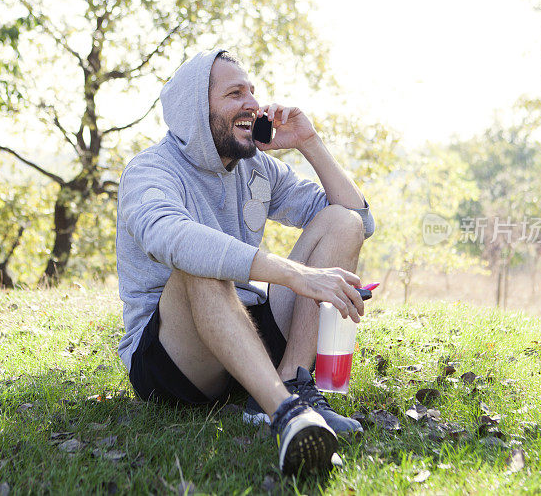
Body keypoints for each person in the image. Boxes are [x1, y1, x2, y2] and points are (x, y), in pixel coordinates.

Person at [116, 49, 375, 475]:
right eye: (234, 93)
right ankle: (287, 415)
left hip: (245, 329)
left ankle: (291, 382)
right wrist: (297, 275)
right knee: (201, 262)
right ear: (197, 110)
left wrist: (310, 143)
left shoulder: (257, 167)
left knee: (340, 221)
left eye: (252, 92)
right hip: (173, 355)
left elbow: (360, 221)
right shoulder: (149, 172)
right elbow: (174, 240)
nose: (252, 103)